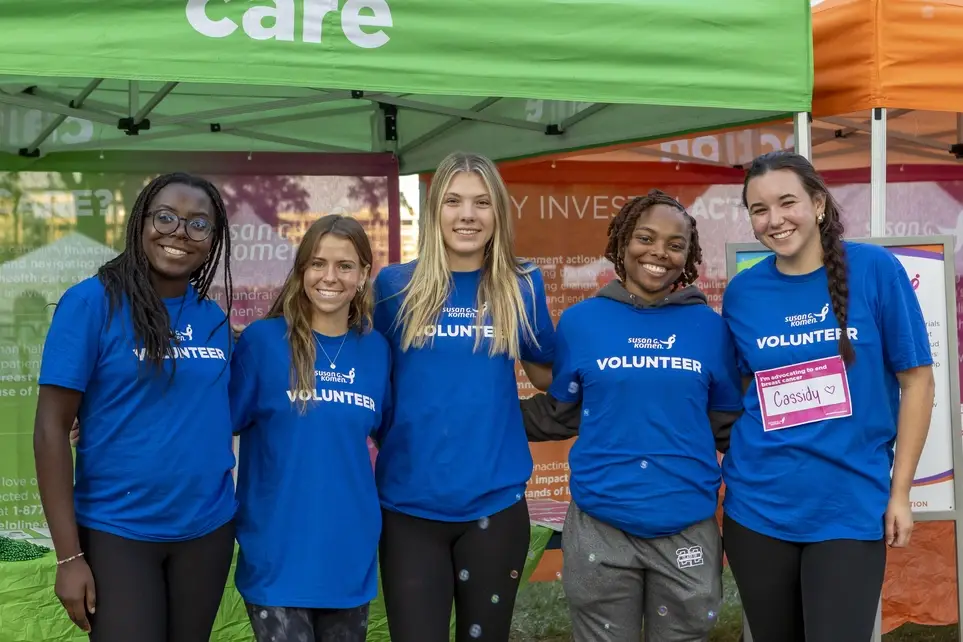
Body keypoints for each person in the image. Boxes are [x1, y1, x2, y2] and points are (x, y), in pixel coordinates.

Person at [721, 151, 935, 642]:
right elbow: (735, 389)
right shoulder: (743, 293)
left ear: (818, 203)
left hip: (849, 505)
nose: (774, 220)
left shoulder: (876, 270)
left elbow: (918, 382)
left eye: (787, 202)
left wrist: (900, 492)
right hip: (757, 507)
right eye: (758, 209)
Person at [520, 190, 743, 642]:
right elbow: (562, 414)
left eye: (675, 244)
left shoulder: (711, 329)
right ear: (622, 244)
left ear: (688, 256)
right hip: (600, 530)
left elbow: (728, 428)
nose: (659, 252)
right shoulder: (582, 322)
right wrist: (470, 414)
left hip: (687, 531)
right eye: (645, 237)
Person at [34, 173, 237, 642]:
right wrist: (69, 557)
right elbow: (50, 430)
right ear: (140, 222)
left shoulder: (213, 320)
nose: (178, 233)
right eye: (165, 217)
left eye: (198, 224)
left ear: (213, 239)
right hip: (117, 533)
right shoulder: (90, 303)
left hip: (206, 532)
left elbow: (224, 409)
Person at [372, 151, 556, 642]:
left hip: (494, 508)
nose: (467, 215)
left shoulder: (521, 285)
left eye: (481, 202)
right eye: (453, 201)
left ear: (498, 213)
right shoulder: (394, 286)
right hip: (409, 507)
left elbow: (547, 375)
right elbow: (370, 382)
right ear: (434, 212)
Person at [229, 214, 390, 642]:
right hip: (276, 557)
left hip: (347, 556)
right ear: (301, 271)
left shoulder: (375, 349)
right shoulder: (262, 343)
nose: (330, 277)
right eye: (317, 264)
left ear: (363, 275)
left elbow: (396, 435)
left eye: (345, 266)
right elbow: (207, 423)